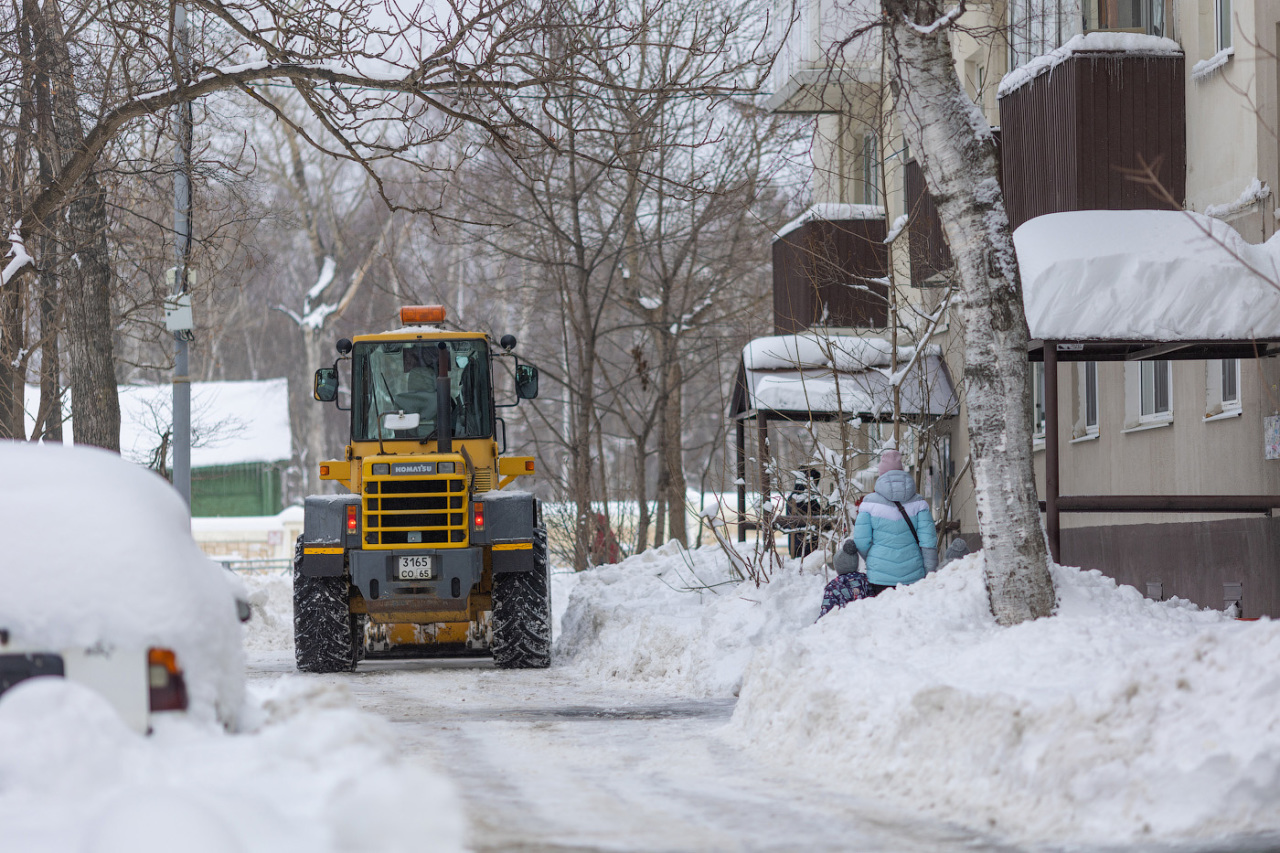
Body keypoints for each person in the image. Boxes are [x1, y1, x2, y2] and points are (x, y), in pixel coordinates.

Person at [852, 449, 937, 594]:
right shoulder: (919, 503)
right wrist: (930, 571)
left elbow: (861, 541)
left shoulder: (869, 504)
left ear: (881, 474)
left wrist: (874, 559)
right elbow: (928, 542)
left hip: (879, 576)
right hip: (913, 575)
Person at [818, 540, 870, 618]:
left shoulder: (833, 586)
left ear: (838, 567)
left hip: (843, 624)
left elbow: (827, 614)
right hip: (864, 621)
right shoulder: (866, 580)